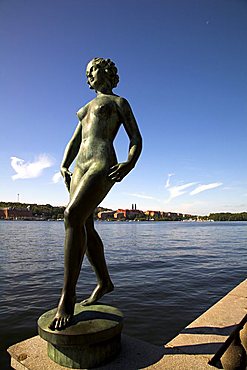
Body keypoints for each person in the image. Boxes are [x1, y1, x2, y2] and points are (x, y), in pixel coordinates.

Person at [49, 57, 142, 330]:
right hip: (79, 166)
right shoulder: (87, 107)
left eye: (95, 69)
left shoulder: (117, 103)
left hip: (102, 162)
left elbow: (136, 137)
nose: (90, 74)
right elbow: (76, 139)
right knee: (84, 222)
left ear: (109, 73)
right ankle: (104, 282)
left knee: (72, 215)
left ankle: (67, 296)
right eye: (87, 71)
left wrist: (129, 163)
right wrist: (64, 164)